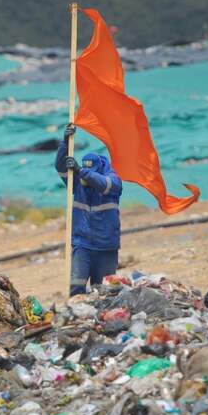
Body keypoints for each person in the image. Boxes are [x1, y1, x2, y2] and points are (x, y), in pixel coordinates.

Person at [55, 123, 123, 296]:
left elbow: (103, 184)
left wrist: (81, 171)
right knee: (76, 288)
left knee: (105, 291)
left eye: (89, 172)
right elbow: (60, 167)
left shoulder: (113, 182)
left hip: (106, 247)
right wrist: (65, 144)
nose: (85, 176)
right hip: (82, 245)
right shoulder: (77, 183)